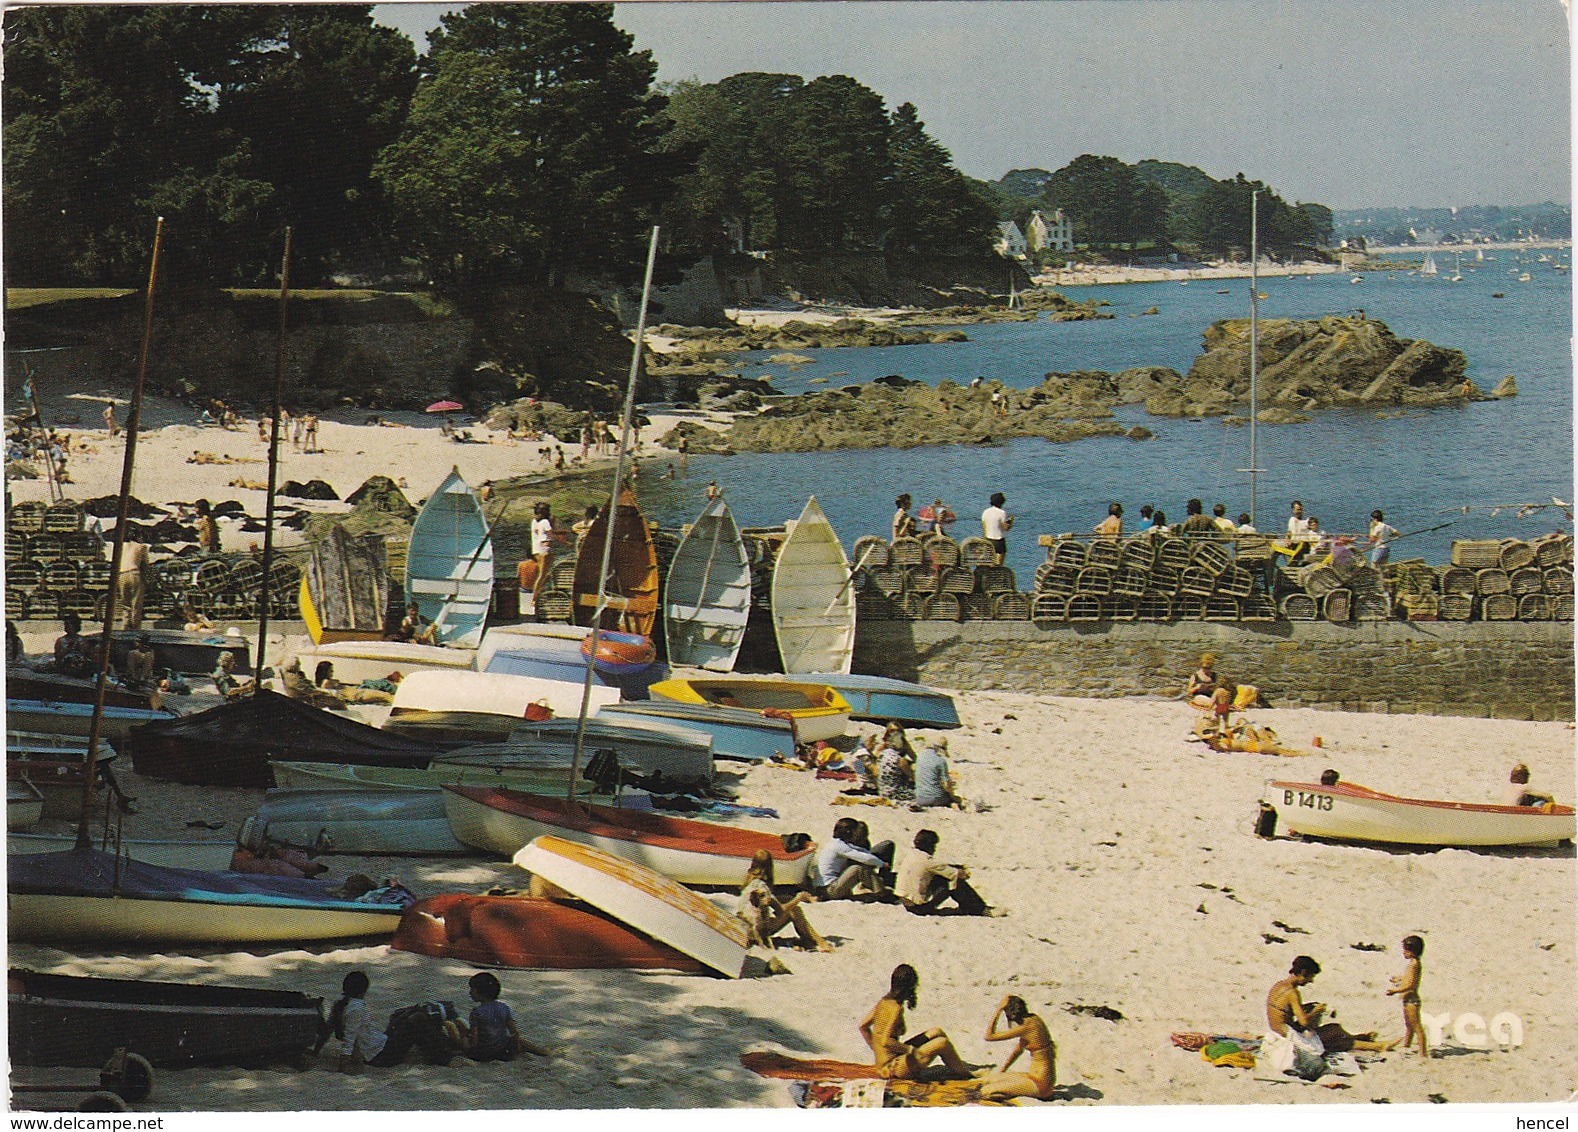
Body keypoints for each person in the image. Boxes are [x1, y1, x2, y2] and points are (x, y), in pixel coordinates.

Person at [1264, 955, 1388, 1079]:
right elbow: (1304, 1022)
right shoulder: (1292, 993)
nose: (1310, 981)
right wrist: (1316, 1011)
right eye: (1310, 977)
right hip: (1288, 1037)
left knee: (1334, 1032)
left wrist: (1307, 1008)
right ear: (1303, 973)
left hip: (1277, 1031)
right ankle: (1375, 1045)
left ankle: (1364, 1040)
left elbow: (1282, 1011)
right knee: (1334, 1031)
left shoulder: (1279, 985)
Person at [858, 964, 973, 1081]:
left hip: (888, 1062)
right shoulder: (896, 1008)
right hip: (893, 1068)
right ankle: (966, 1075)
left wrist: (877, 1051)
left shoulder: (883, 1002)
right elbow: (885, 1041)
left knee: (936, 1032)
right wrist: (911, 1050)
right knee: (942, 1043)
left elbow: (863, 1026)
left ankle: (957, 1069)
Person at [324, 972, 458, 1070]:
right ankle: (444, 1056)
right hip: (380, 1055)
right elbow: (350, 1036)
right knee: (418, 1019)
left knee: (403, 1015)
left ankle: (441, 1046)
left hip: (380, 1043)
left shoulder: (340, 1003)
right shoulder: (356, 1008)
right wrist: (344, 1063)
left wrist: (316, 1050)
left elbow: (329, 1028)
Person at [736, 849, 833, 951]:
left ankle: (812, 940)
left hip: (744, 928)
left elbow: (767, 901)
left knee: (786, 899)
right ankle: (817, 942)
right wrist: (799, 897)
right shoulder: (762, 886)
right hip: (758, 932)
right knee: (795, 910)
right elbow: (780, 910)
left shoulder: (749, 881)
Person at [446, 972, 549, 1062]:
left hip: (483, 1054)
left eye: (472, 989)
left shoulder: (476, 1012)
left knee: (461, 1033)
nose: (470, 993)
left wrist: (464, 1038)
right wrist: (514, 1047)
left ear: (481, 991)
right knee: (522, 1041)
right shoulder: (504, 1007)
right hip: (503, 1052)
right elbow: (514, 1033)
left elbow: (475, 1041)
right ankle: (543, 1052)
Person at [978, 995, 1057, 1100]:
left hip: (1039, 1085)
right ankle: (1008, 1091)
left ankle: (1008, 1093)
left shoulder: (1025, 1027)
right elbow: (1018, 1050)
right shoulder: (1034, 1019)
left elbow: (988, 1036)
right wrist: (1003, 1070)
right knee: (989, 1079)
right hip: (1035, 1078)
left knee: (984, 1092)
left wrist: (999, 1009)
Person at [895, 829, 988, 916]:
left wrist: (950, 867)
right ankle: (980, 909)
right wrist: (962, 870)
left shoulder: (911, 855)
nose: (934, 849)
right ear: (929, 846)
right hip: (919, 908)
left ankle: (975, 908)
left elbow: (937, 867)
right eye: (933, 846)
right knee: (954, 880)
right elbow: (959, 874)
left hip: (906, 902)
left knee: (937, 875)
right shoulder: (928, 861)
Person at [810, 817, 892, 900]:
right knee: (858, 868)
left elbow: (859, 851)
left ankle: (879, 887)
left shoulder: (836, 843)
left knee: (861, 864)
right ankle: (881, 893)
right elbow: (865, 858)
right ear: (849, 832)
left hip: (826, 888)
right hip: (830, 890)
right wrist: (882, 864)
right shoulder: (838, 846)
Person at [1385, 936, 1427, 1057]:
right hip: (1408, 1000)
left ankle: (1423, 1053)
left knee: (1416, 1026)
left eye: (1406, 951)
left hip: (1411, 1000)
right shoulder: (1413, 964)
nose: (1404, 953)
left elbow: (1410, 985)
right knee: (1409, 1025)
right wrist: (1399, 979)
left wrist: (1395, 990)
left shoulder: (1414, 964)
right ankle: (1406, 1046)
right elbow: (1409, 979)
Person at [912, 736, 962, 810]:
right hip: (936, 799)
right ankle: (953, 805)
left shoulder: (920, 756)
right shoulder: (941, 761)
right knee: (954, 799)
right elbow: (947, 785)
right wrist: (952, 796)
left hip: (920, 799)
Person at [114, 539, 151, 630]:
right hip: (134, 574)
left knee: (125, 604)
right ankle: (136, 628)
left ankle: (125, 625)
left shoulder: (122, 546)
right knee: (136, 604)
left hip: (121, 575)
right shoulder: (142, 546)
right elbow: (146, 564)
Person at [876, 722, 915, 803]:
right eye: (892, 730)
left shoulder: (884, 752)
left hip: (883, 789)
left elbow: (914, 758)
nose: (895, 733)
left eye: (897, 730)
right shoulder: (885, 749)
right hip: (893, 791)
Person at [529, 501, 554, 615]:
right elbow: (550, 534)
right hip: (545, 549)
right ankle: (535, 598)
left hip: (536, 550)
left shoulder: (535, 522)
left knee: (543, 574)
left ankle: (538, 596)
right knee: (543, 575)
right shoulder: (545, 522)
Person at [53, 613, 93, 678]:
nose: (66, 627)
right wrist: (67, 650)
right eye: (66, 625)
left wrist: (80, 648)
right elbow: (57, 656)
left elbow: (87, 654)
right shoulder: (61, 640)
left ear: (76, 626)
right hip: (65, 664)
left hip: (80, 663)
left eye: (69, 625)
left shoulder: (82, 640)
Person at [981, 492, 1013, 564]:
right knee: (999, 566)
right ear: (1001, 502)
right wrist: (1010, 522)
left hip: (988, 540)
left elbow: (984, 527)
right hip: (998, 542)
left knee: (989, 564)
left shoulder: (985, 512)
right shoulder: (1002, 512)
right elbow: (1006, 528)